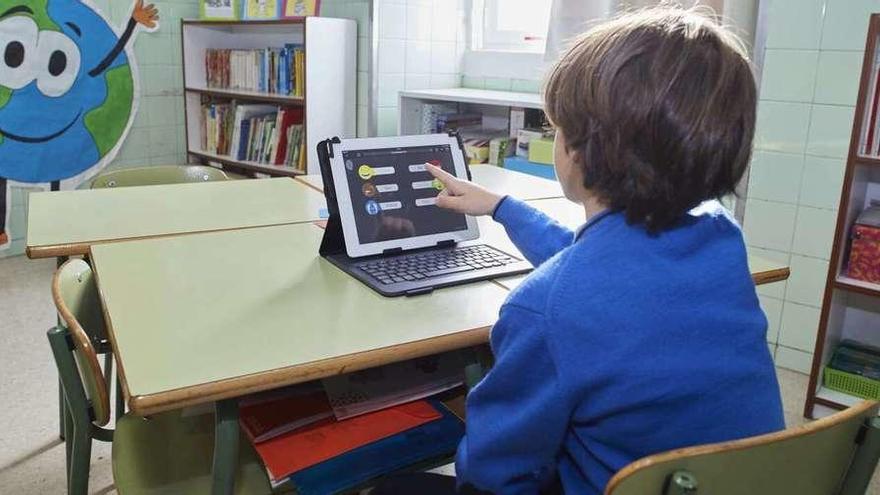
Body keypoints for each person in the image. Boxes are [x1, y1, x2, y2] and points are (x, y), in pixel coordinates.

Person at [373, 6, 784, 495]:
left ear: (579, 151)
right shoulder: (720, 237)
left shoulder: (544, 308)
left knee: (399, 488)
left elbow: (492, 475)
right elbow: (603, 271)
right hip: (726, 481)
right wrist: (503, 207)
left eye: (556, 128)